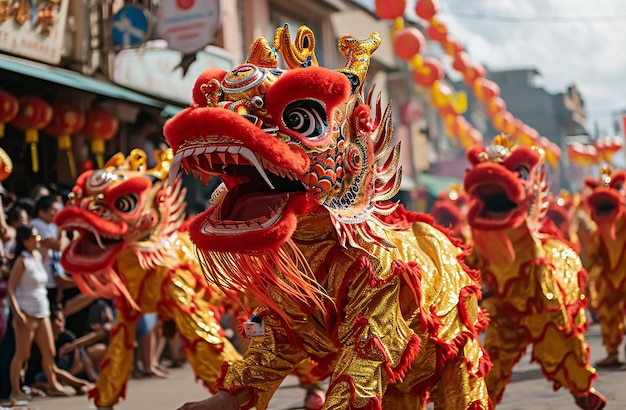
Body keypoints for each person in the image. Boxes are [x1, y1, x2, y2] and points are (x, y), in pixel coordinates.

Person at [6, 225, 70, 403]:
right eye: (34, 238)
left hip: (42, 311)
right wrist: (17, 312)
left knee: (49, 351)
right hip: (27, 312)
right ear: (25, 240)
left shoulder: (37, 256)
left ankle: (53, 384)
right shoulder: (22, 260)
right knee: (22, 354)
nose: (37, 241)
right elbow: (11, 289)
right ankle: (16, 390)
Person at [30, 195, 73, 308]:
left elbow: (65, 245)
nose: (56, 213)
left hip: (52, 277)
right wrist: (62, 231)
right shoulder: (36, 224)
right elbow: (58, 246)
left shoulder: (53, 226)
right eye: (53, 210)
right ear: (42, 212)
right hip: (41, 278)